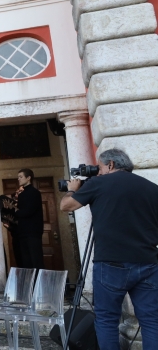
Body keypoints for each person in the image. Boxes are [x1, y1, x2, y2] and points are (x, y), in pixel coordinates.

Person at [60, 149, 158, 350]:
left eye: (101, 167)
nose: (99, 171)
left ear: (111, 164)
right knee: (151, 320)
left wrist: (72, 189)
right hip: (147, 262)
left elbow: (66, 206)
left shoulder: (98, 183)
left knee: (106, 320)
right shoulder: (152, 188)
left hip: (111, 263)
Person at [14, 169, 43, 269]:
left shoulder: (34, 193)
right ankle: (29, 284)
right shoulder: (21, 194)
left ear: (28, 178)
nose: (18, 179)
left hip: (33, 232)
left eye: (21, 177)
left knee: (36, 261)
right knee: (26, 262)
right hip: (23, 232)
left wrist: (16, 212)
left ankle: (38, 284)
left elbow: (29, 211)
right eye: (18, 177)